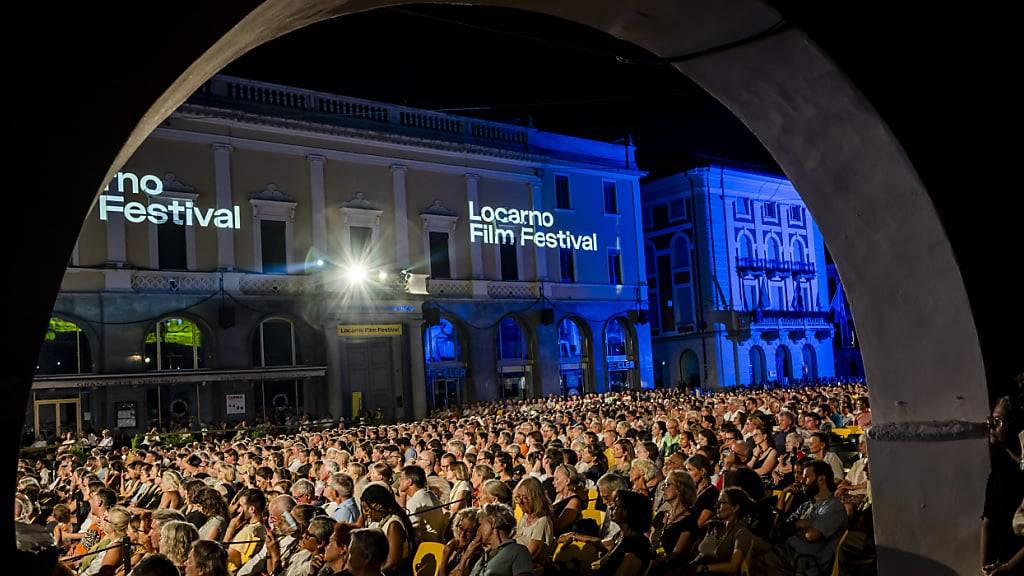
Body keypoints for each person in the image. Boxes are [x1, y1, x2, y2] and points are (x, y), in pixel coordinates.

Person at [686, 488, 754, 575]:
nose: (716, 506)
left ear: (735, 508)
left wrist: (705, 568)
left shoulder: (741, 532)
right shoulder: (713, 526)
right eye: (717, 502)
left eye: (721, 503)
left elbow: (733, 566)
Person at [591, 489, 653, 576]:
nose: (611, 507)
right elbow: (602, 543)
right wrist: (573, 536)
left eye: (616, 505)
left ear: (628, 512)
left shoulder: (637, 545)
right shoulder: (622, 536)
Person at [648, 470, 699, 576]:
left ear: (679, 488)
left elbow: (677, 553)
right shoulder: (661, 515)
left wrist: (653, 563)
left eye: (667, 485)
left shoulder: (688, 520)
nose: (662, 488)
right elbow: (650, 543)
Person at [360, 483, 415, 576]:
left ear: (378, 506)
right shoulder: (381, 522)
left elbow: (392, 563)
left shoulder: (394, 525)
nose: (365, 514)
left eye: (366, 509)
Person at [467, 503, 533, 576]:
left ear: (493, 522)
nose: (477, 530)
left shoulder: (518, 551)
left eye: (480, 524)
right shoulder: (483, 557)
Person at [512, 476, 554, 561]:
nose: (520, 502)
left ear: (536, 498)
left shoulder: (543, 521)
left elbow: (530, 554)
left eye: (524, 497)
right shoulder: (525, 517)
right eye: (518, 497)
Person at [441, 507, 482, 576]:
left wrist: (465, 558)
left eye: (469, 531)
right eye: (461, 528)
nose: (462, 535)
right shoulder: (458, 551)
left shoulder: (476, 555)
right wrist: (447, 551)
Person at [550, 464, 585, 536]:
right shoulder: (558, 496)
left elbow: (559, 527)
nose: (553, 483)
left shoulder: (574, 501)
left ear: (567, 481)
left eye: (556, 479)